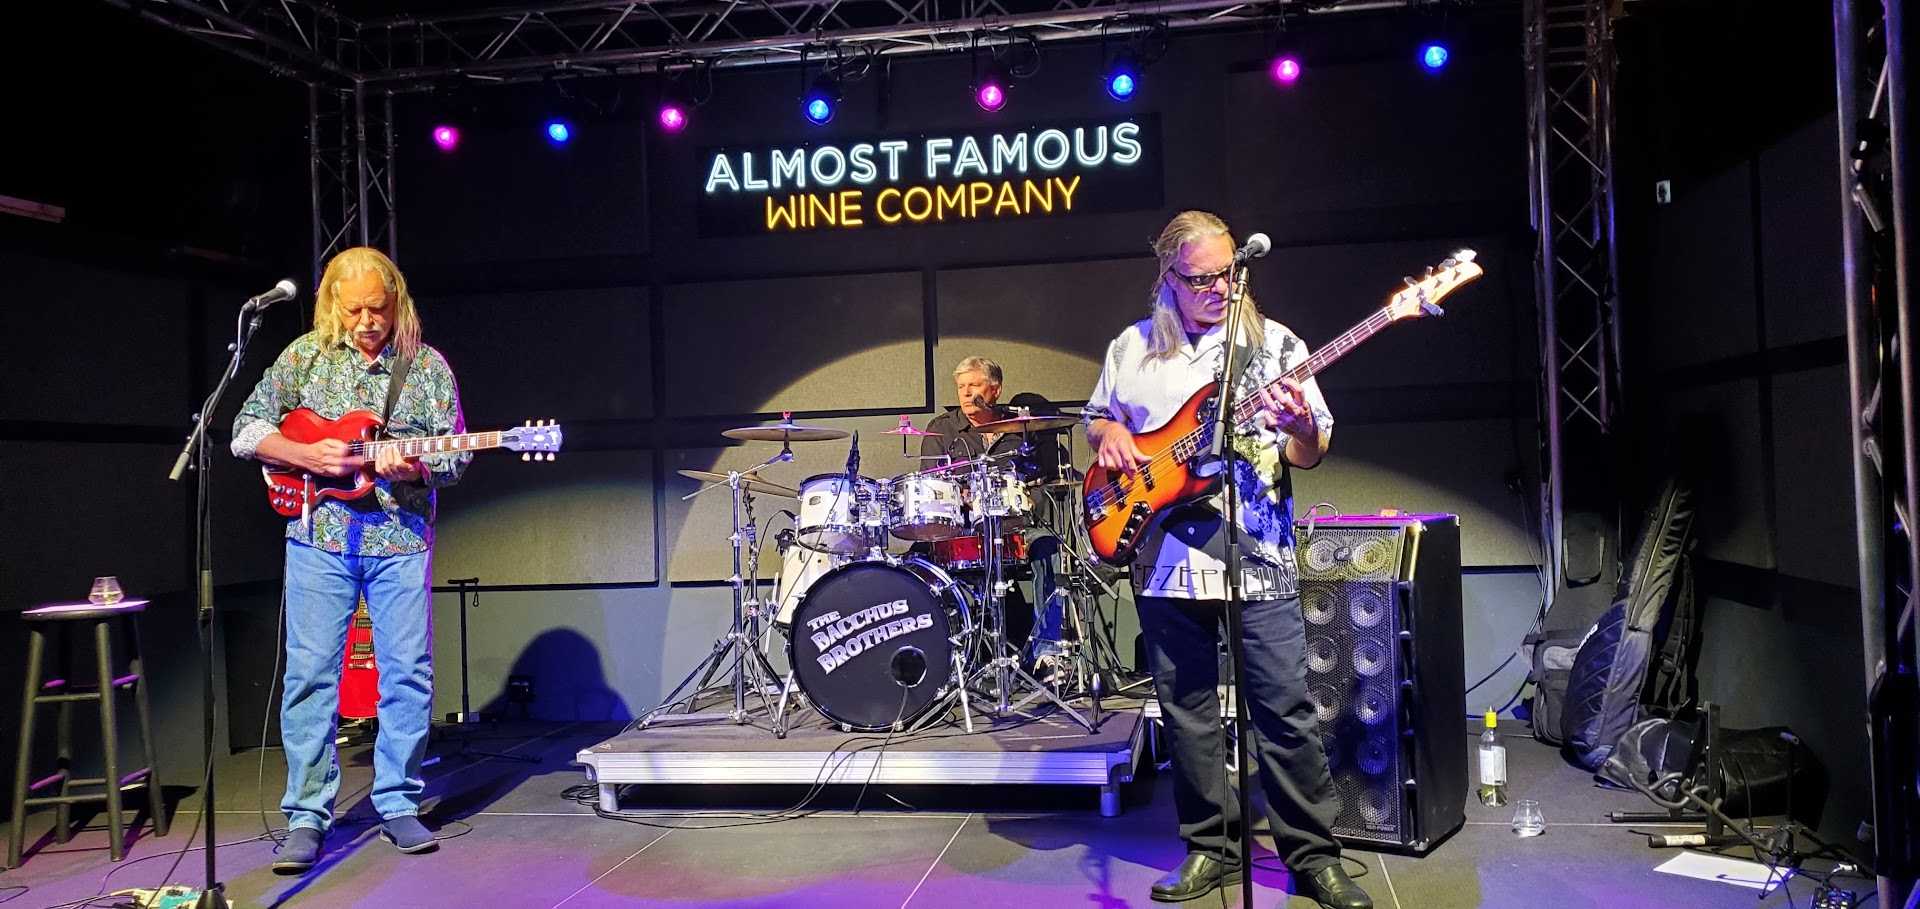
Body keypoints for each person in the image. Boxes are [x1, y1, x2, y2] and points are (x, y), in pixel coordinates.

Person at [1081, 212, 1370, 909]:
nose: (1218, 288)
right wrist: (1108, 430)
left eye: (1227, 274)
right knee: (1187, 713)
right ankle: (1209, 847)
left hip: (1258, 556)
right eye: (1200, 278)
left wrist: (1300, 426)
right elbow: (1095, 420)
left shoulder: (1277, 347)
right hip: (1163, 559)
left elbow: (1310, 449)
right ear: (1169, 278)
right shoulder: (1132, 347)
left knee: (1285, 710)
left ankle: (1313, 856)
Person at [231, 247, 470, 873]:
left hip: (400, 540)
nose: (367, 321)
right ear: (332, 303)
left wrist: (413, 467)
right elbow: (245, 430)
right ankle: (307, 816)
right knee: (311, 677)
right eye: (354, 309)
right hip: (319, 537)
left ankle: (397, 802)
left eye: (378, 308)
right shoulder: (304, 357)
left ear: (396, 302)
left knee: (407, 674)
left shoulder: (426, 367)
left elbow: (456, 456)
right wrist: (304, 455)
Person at [920, 357, 1065, 665]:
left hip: (1017, 528)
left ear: (995, 390)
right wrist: (959, 497)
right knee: (922, 558)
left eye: (974, 385)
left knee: (1049, 549)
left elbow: (1046, 481)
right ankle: (947, 658)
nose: (965, 392)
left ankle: (1047, 654)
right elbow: (931, 487)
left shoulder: (1022, 429)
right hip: (964, 531)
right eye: (961, 386)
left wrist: (1032, 498)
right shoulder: (942, 430)